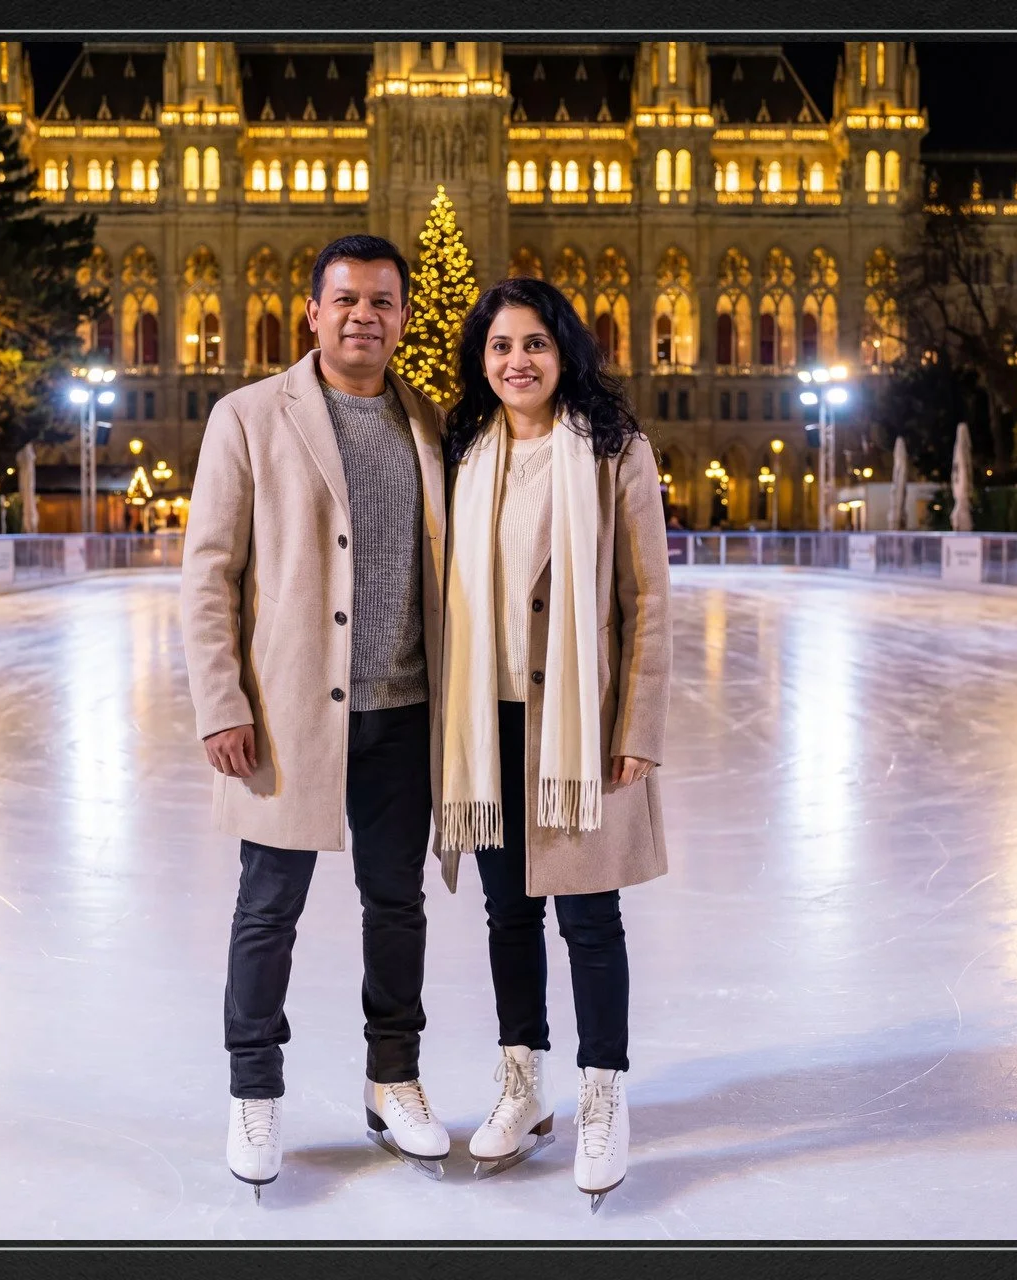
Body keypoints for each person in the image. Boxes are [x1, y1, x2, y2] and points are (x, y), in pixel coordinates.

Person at [180, 235, 451, 1195]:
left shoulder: (431, 421)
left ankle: (395, 1079)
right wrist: (221, 702)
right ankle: (254, 1091)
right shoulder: (248, 416)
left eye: (382, 301)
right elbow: (207, 574)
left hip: (404, 713)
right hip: (290, 716)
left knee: (398, 906)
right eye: (346, 300)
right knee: (268, 909)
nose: (363, 316)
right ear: (313, 310)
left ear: (405, 317)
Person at [434, 277, 670, 1211]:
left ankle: (602, 1092)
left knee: (588, 918)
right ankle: (523, 1085)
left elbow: (648, 595)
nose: (517, 362)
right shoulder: (464, 449)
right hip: (484, 719)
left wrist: (637, 725)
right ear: (480, 361)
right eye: (499, 346)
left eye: (533, 343)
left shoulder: (612, 449)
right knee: (505, 916)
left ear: (564, 351)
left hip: (575, 722)